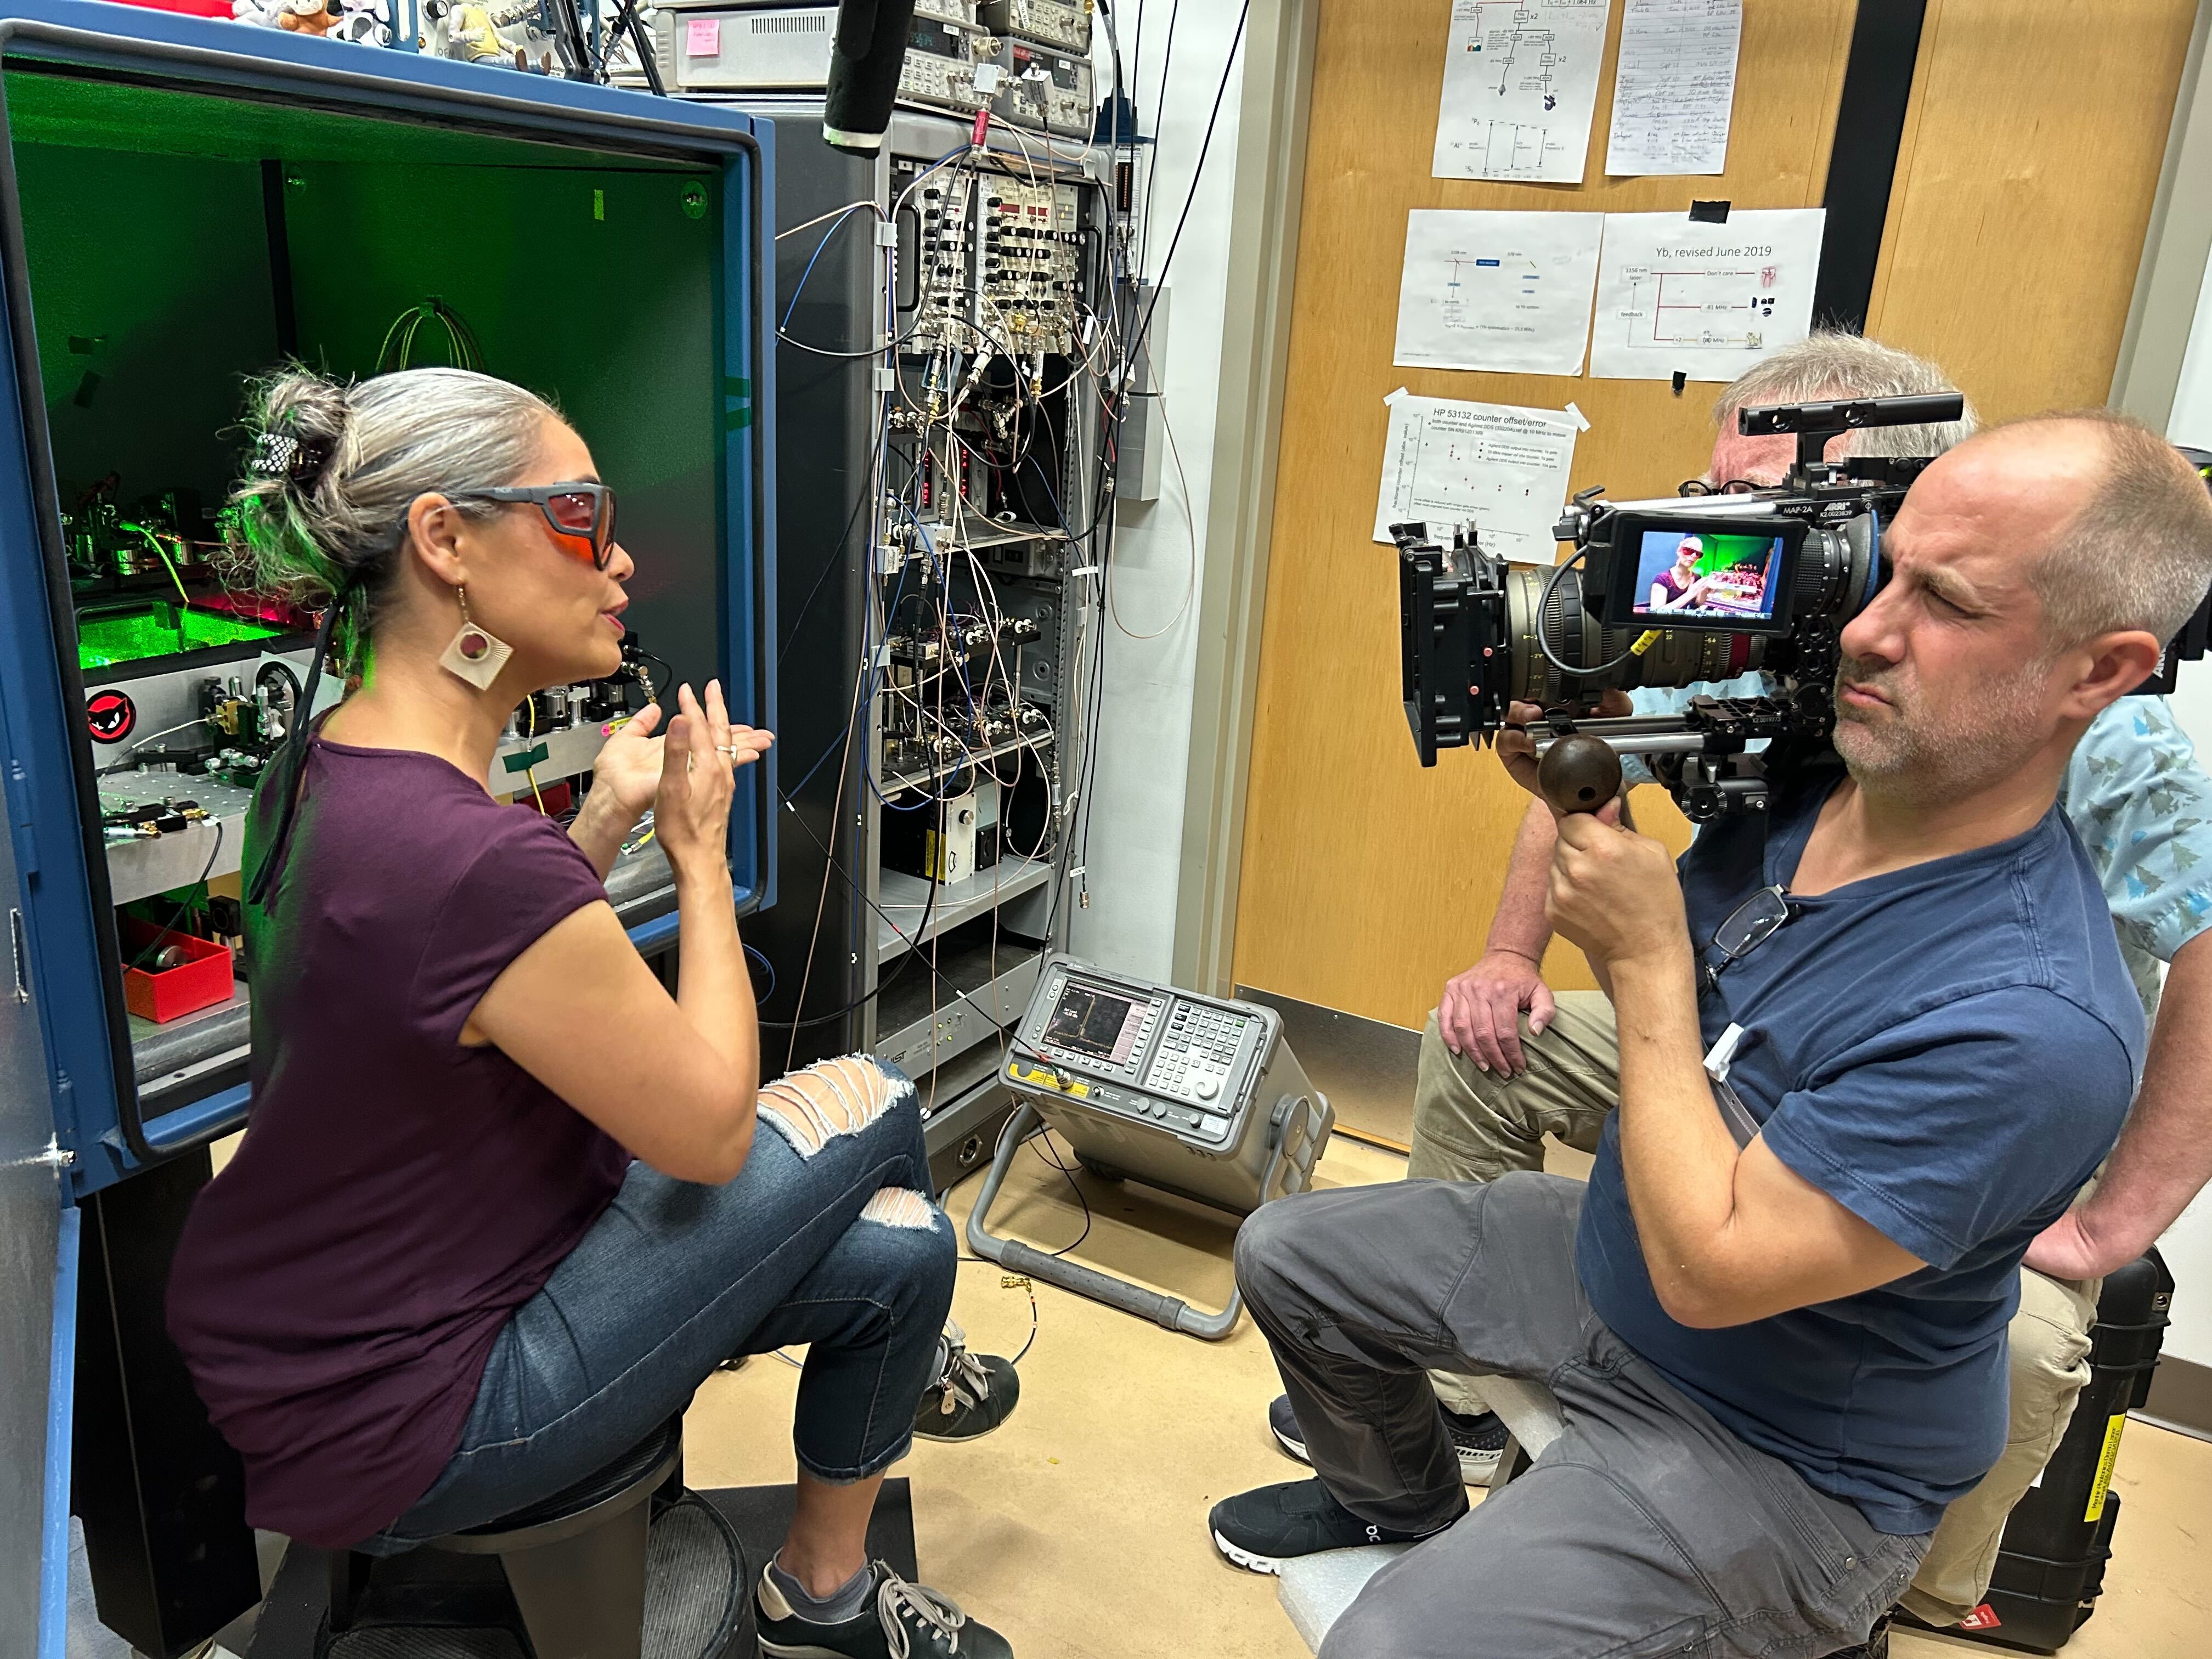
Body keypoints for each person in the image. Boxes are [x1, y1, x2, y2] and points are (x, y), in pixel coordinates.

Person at [1211, 408, 2212, 1659]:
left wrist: (1640, 963)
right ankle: (1400, 1512)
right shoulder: (1821, 775)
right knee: (1290, 1255)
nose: (1865, 630)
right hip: (1636, 1266)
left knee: (1387, 1651)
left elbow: (1718, 1262)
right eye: (1886, 568)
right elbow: (1689, 980)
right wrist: (1572, 781)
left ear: (2101, 672)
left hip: (1786, 1446)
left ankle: (1816, 1625)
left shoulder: (2032, 1023)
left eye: (1946, 603)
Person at [165, 368, 1017, 1659]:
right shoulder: (472, 862)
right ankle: (921, 1379)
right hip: (435, 1405)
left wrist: (604, 815)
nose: (620, 560)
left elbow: (465, 980)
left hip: (334, 1339)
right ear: (444, 539)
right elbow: (712, 1131)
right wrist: (694, 854)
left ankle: (823, 1589)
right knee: (882, 1107)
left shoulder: (321, 764)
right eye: (580, 517)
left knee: (900, 1255)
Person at [1649, 535, 1717, 612]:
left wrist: (1704, 590)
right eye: (1688, 551)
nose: (1694, 556)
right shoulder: (1662, 580)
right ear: (1679, 551)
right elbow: (1656, 613)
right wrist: (1690, 594)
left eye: (1698, 554)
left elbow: (1699, 604)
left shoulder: (1697, 578)